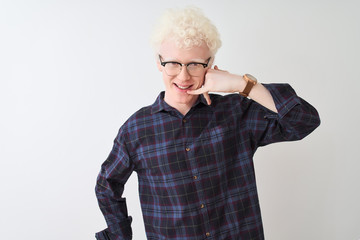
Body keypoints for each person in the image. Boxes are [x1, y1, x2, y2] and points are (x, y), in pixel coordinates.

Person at [95, 6, 320, 240]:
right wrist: (120, 235)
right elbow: (106, 185)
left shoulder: (236, 112)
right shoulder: (136, 129)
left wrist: (241, 85)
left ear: (210, 63)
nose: (183, 76)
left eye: (194, 64)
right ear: (159, 62)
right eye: (173, 63)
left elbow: (305, 121)